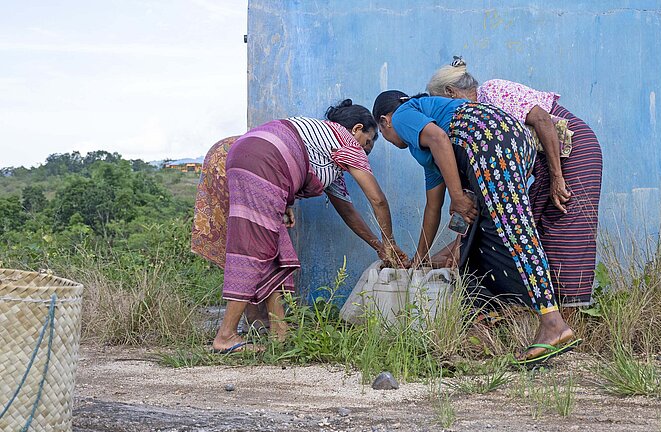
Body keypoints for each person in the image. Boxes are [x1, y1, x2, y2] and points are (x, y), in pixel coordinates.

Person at [372, 91, 578, 362]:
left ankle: (553, 322)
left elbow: (440, 139)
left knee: (514, 229)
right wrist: (419, 260)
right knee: (481, 237)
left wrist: (457, 197)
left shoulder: (402, 115)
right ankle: (497, 321)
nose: (388, 138)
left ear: (385, 121)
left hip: (489, 141)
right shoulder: (428, 154)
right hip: (507, 141)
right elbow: (433, 207)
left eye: (382, 133)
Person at [192, 99, 408, 353]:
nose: (367, 150)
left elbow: (348, 211)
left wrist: (378, 246)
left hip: (244, 154)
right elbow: (377, 199)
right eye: (369, 141)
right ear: (356, 129)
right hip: (264, 162)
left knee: (275, 248)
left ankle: (279, 333)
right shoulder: (347, 143)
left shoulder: (325, 153)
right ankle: (225, 336)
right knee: (254, 249)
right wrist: (390, 242)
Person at [426, 57, 603, 308]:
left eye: (443, 105)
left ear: (450, 93)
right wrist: (455, 246)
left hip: (571, 152)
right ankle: (544, 313)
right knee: (533, 229)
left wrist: (557, 178)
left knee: (565, 231)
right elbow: (475, 199)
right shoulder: (474, 129)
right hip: (546, 164)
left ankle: (571, 317)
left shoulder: (493, 91)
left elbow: (542, 120)